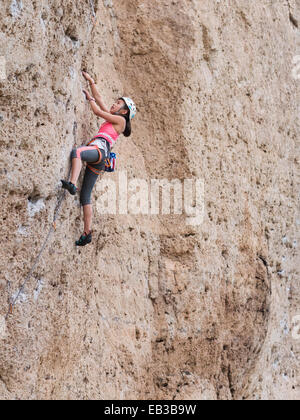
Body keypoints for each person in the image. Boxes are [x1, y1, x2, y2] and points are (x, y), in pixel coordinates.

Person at [61, 70, 136, 246]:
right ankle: (87, 232)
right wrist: (91, 82)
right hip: (101, 158)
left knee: (78, 153)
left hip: (99, 150)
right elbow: (101, 100)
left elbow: (97, 110)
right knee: (85, 196)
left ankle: (72, 183)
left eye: (118, 104)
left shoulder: (121, 122)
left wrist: (90, 100)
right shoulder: (115, 119)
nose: (113, 104)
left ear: (124, 111)